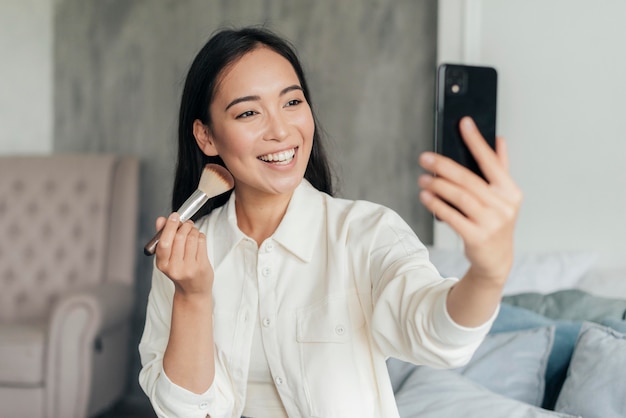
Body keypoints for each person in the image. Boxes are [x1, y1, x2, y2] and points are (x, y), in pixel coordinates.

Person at [138, 26, 522, 418]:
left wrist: (488, 274)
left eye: (292, 102)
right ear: (206, 137)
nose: (281, 130)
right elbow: (184, 411)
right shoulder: (183, 257)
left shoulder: (367, 234)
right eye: (249, 112)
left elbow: (436, 334)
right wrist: (193, 297)